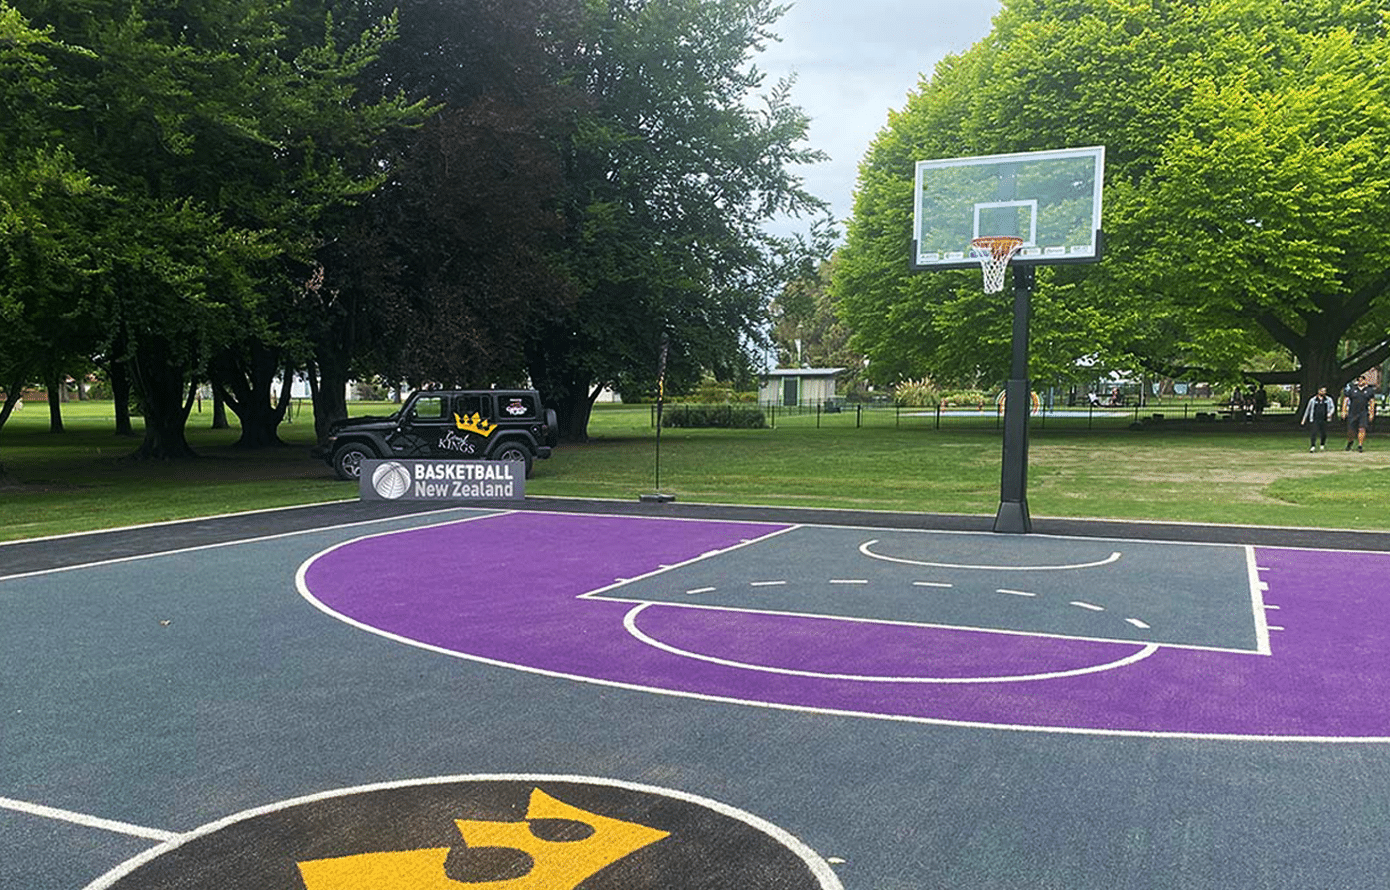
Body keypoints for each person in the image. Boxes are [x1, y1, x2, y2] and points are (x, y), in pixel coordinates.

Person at [1342, 374, 1377, 452]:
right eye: (1358, 380)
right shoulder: (1352, 389)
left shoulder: (1369, 390)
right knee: (1351, 430)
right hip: (1352, 412)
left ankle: (1360, 445)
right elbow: (1346, 400)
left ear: (1365, 381)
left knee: (1362, 428)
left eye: (1362, 380)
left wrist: (1371, 412)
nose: (1360, 381)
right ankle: (1350, 441)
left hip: (1363, 412)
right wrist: (1344, 411)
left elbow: (1372, 402)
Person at [1300, 385, 1336, 452]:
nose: (1323, 392)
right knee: (1313, 432)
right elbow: (1308, 410)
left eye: (1324, 391)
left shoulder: (1328, 399)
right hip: (1315, 418)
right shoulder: (1313, 400)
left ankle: (1322, 445)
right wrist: (1303, 419)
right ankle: (1313, 446)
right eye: (1322, 391)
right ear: (1318, 391)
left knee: (1323, 433)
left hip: (1324, 419)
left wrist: (1329, 414)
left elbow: (1332, 407)